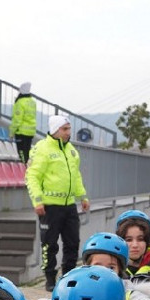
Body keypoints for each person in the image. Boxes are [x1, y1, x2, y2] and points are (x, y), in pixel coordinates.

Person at [25, 114, 90, 290]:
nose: (69, 132)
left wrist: (82, 196)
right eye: (65, 129)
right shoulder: (42, 149)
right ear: (55, 130)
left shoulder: (72, 151)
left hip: (69, 206)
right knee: (49, 244)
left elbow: (76, 175)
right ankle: (50, 279)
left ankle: (68, 276)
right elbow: (32, 176)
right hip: (49, 207)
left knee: (73, 243)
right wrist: (37, 201)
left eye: (69, 128)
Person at [10, 81, 37, 163]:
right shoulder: (32, 102)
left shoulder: (20, 103)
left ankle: (24, 170)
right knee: (27, 153)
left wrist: (12, 132)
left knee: (21, 154)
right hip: (31, 131)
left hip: (21, 132)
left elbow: (17, 120)